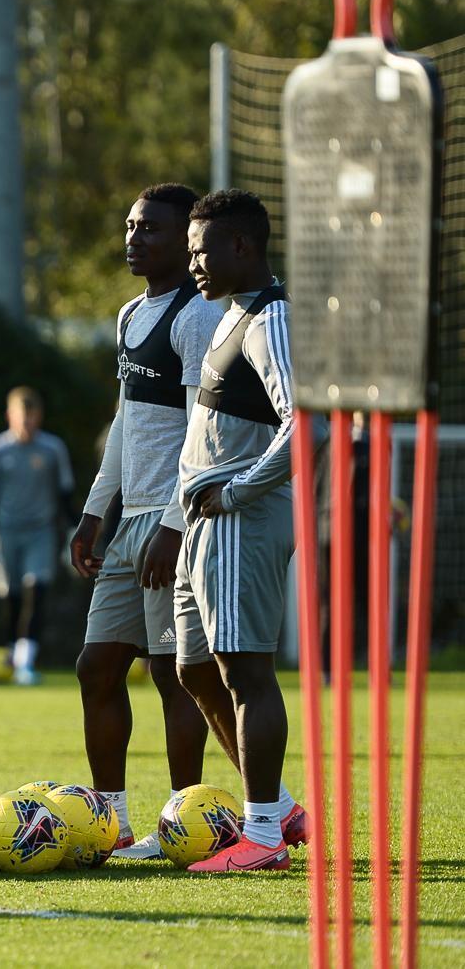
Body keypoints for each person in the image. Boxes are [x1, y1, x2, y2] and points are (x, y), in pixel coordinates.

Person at [69, 183, 225, 857]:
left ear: (185, 241)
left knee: (174, 673)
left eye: (151, 229)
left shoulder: (197, 316)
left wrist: (172, 524)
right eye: (131, 226)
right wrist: (92, 513)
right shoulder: (130, 313)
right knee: (95, 668)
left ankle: (181, 823)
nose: (135, 238)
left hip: (172, 525)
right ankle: (111, 821)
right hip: (127, 524)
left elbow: (199, 433)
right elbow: (126, 424)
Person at [173, 188, 310, 871]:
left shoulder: (272, 319)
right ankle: (279, 809)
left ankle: (261, 836)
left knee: (247, 672)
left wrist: (236, 490)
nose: (192, 263)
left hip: (239, 522)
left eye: (201, 251)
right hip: (205, 523)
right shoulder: (235, 314)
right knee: (195, 668)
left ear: (242, 246)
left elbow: (305, 423)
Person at [0, 386, 74, 684]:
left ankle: (26, 663)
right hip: (5, 533)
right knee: (11, 598)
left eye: (32, 418)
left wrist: (73, 533)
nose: (27, 424)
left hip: (40, 532)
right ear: (10, 416)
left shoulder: (53, 449)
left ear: (39, 417)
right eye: (22, 418)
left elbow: (65, 494)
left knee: (36, 590)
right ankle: (11, 654)